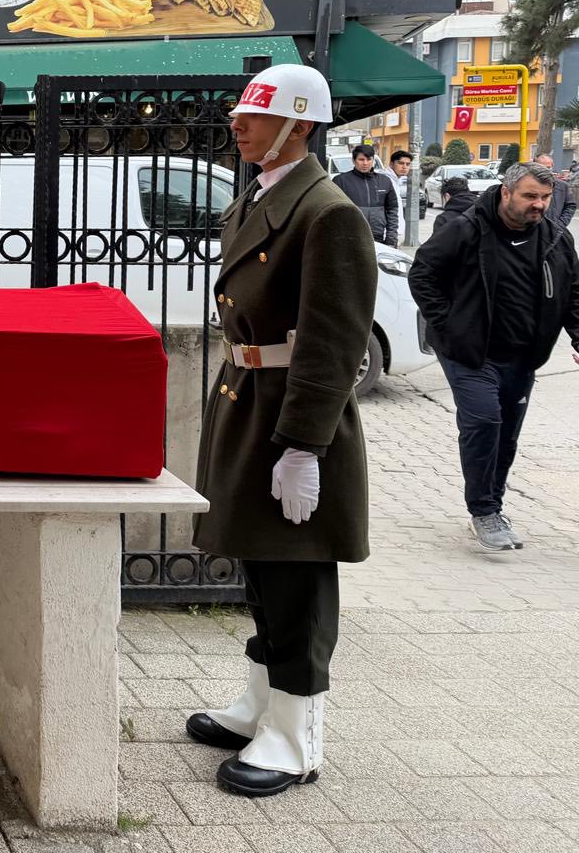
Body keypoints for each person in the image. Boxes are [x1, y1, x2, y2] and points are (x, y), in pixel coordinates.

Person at [186, 63, 376, 798]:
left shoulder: (326, 211)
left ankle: (295, 736)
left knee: (296, 572)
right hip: (247, 398)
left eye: (256, 117)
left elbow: (333, 341)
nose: (239, 125)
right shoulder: (263, 197)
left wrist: (304, 446)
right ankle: (261, 703)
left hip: (293, 408)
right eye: (240, 115)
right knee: (260, 563)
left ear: (299, 126)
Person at [407, 162, 579, 552]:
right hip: (470, 352)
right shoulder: (466, 229)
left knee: (506, 434)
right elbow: (422, 274)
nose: (538, 205)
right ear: (506, 192)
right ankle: (483, 510)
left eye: (545, 198)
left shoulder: (554, 237)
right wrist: (448, 325)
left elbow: (574, 293)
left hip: (523, 356)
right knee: (484, 420)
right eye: (530, 196)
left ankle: (493, 506)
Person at [331, 145, 399, 246]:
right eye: (361, 159)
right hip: (349, 238)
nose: (365, 163)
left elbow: (392, 210)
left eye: (369, 159)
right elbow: (333, 212)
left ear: (373, 160)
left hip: (377, 237)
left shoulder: (384, 181)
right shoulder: (340, 181)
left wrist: (391, 239)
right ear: (354, 161)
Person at [534, 154, 575, 228]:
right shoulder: (526, 185)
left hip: (555, 231)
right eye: (541, 167)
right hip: (532, 231)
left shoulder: (562, 186)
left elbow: (570, 206)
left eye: (548, 167)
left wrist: (560, 224)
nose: (545, 170)